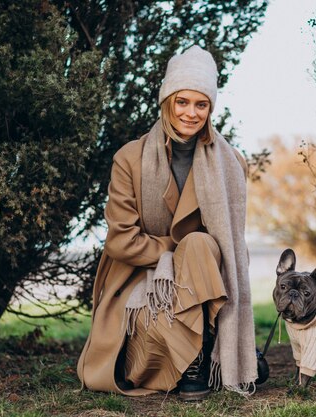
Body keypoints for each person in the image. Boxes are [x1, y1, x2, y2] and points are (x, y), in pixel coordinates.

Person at [77, 45, 257, 401]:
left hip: (202, 277)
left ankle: (200, 355)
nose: (191, 113)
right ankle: (194, 354)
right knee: (194, 245)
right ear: (167, 102)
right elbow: (121, 241)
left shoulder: (231, 163)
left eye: (201, 104)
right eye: (182, 102)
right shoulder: (130, 158)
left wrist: (187, 252)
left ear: (210, 109)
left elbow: (232, 246)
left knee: (202, 244)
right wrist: (171, 254)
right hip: (140, 283)